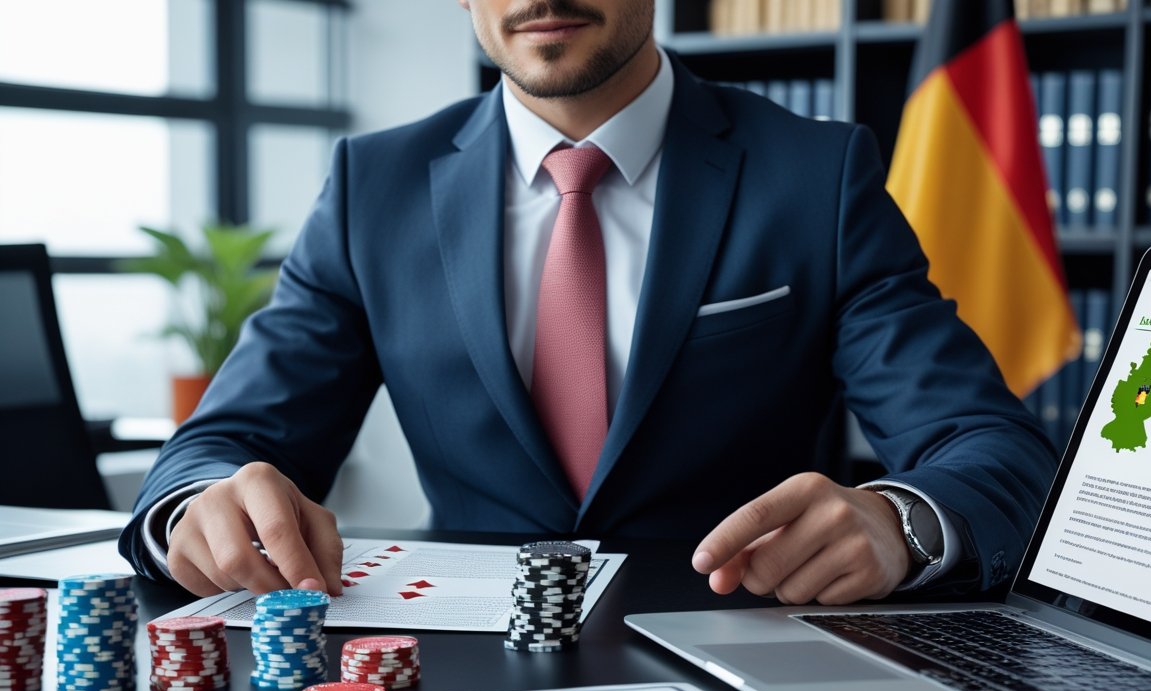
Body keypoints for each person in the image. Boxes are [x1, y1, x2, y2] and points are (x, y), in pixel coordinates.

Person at [119, 0, 1056, 606]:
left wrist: (900, 523)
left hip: (748, 653)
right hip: (454, 667)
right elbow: (219, 444)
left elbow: (991, 447)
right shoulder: (375, 186)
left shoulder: (814, 176)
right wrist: (201, 505)